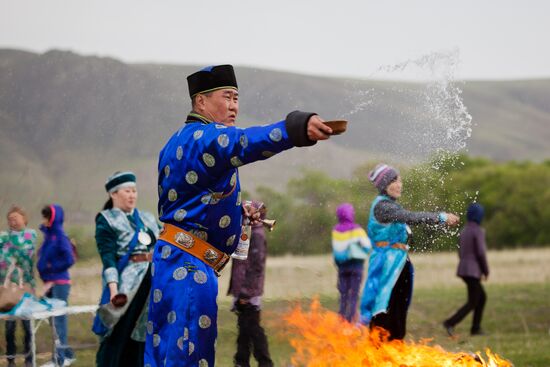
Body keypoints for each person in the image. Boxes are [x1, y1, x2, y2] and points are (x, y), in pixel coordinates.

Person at [145, 64, 333, 367]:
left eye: (236, 98)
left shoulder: (176, 141)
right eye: (227, 97)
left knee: (162, 353)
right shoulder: (209, 138)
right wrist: (296, 128)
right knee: (188, 355)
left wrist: (235, 211)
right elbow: (245, 142)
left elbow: (190, 201)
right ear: (201, 101)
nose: (234, 106)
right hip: (191, 268)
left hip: (170, 259)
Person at [359, 164, 460, 340]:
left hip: (398, 263)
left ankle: (395, 347)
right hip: (387, 264)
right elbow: (411, 217)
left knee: (398, 307)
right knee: (385, 306)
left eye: (399, 180)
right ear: (384, 185)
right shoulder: (383, 207)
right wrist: (441, 217)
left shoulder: (390, 205)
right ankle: (379, 349)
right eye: (393, 181)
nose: (399, 185)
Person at [93, 171, 160, 367]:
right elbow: (108, 258)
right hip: (127, 284)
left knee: (143, 332)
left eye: (134, 191)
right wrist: (113, 290)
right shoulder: (106, 220)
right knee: (119, 330)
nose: (132, 195)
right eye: (127, 191)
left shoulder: (147, 218)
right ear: (113, 194)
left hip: (152, 280)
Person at [227, 200, 273, 367]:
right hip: (242, 291)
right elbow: (240, 263)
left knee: (253, 329)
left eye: (249, 209)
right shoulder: (246, 231)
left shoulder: (257, 234)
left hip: (249, 293)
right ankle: (241, 361)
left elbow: (256, 267)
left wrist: (246, 293)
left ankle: (264, 362)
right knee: (245, 329)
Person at [37, 205, 76, 367]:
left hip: (59, 283)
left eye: (46, 217)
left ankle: (60, 359)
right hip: (49, 284)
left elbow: (69, 259)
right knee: (54, 320)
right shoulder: (49, 236)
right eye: (43, 217)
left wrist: (51, 269)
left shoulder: (59, 236)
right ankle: (66, 354)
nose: (44, 220)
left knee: (59, 319)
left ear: (53, 218)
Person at [443, 202, 489, 336]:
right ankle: (450, 323)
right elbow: (480, 253)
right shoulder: (478, 231)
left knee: (481, 297)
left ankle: (475, 327)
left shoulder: (464, 231)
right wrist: (485, 270)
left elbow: (460, 252)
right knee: (474, 300)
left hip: (463, 269)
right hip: (473, 270)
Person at [0, 206, 37, 367]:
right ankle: (11, 360)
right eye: (9, 219)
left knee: (27, 325)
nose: (12, 221)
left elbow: (25, 253)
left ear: (24, 219)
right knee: (9, 327)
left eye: (15, 218)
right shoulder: (4, 237)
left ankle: (29, 358)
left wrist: (8, 251)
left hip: (26, 286)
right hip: (8, 287)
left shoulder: (30, 234)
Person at [331, 203, 371, 322]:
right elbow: (367, 246)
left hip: (342, 268)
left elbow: (336, 249)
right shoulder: (356, 229)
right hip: (356, 266)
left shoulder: (336, 231)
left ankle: (341, 318)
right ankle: (350, 320)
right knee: (354, 294)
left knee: (343, 294)